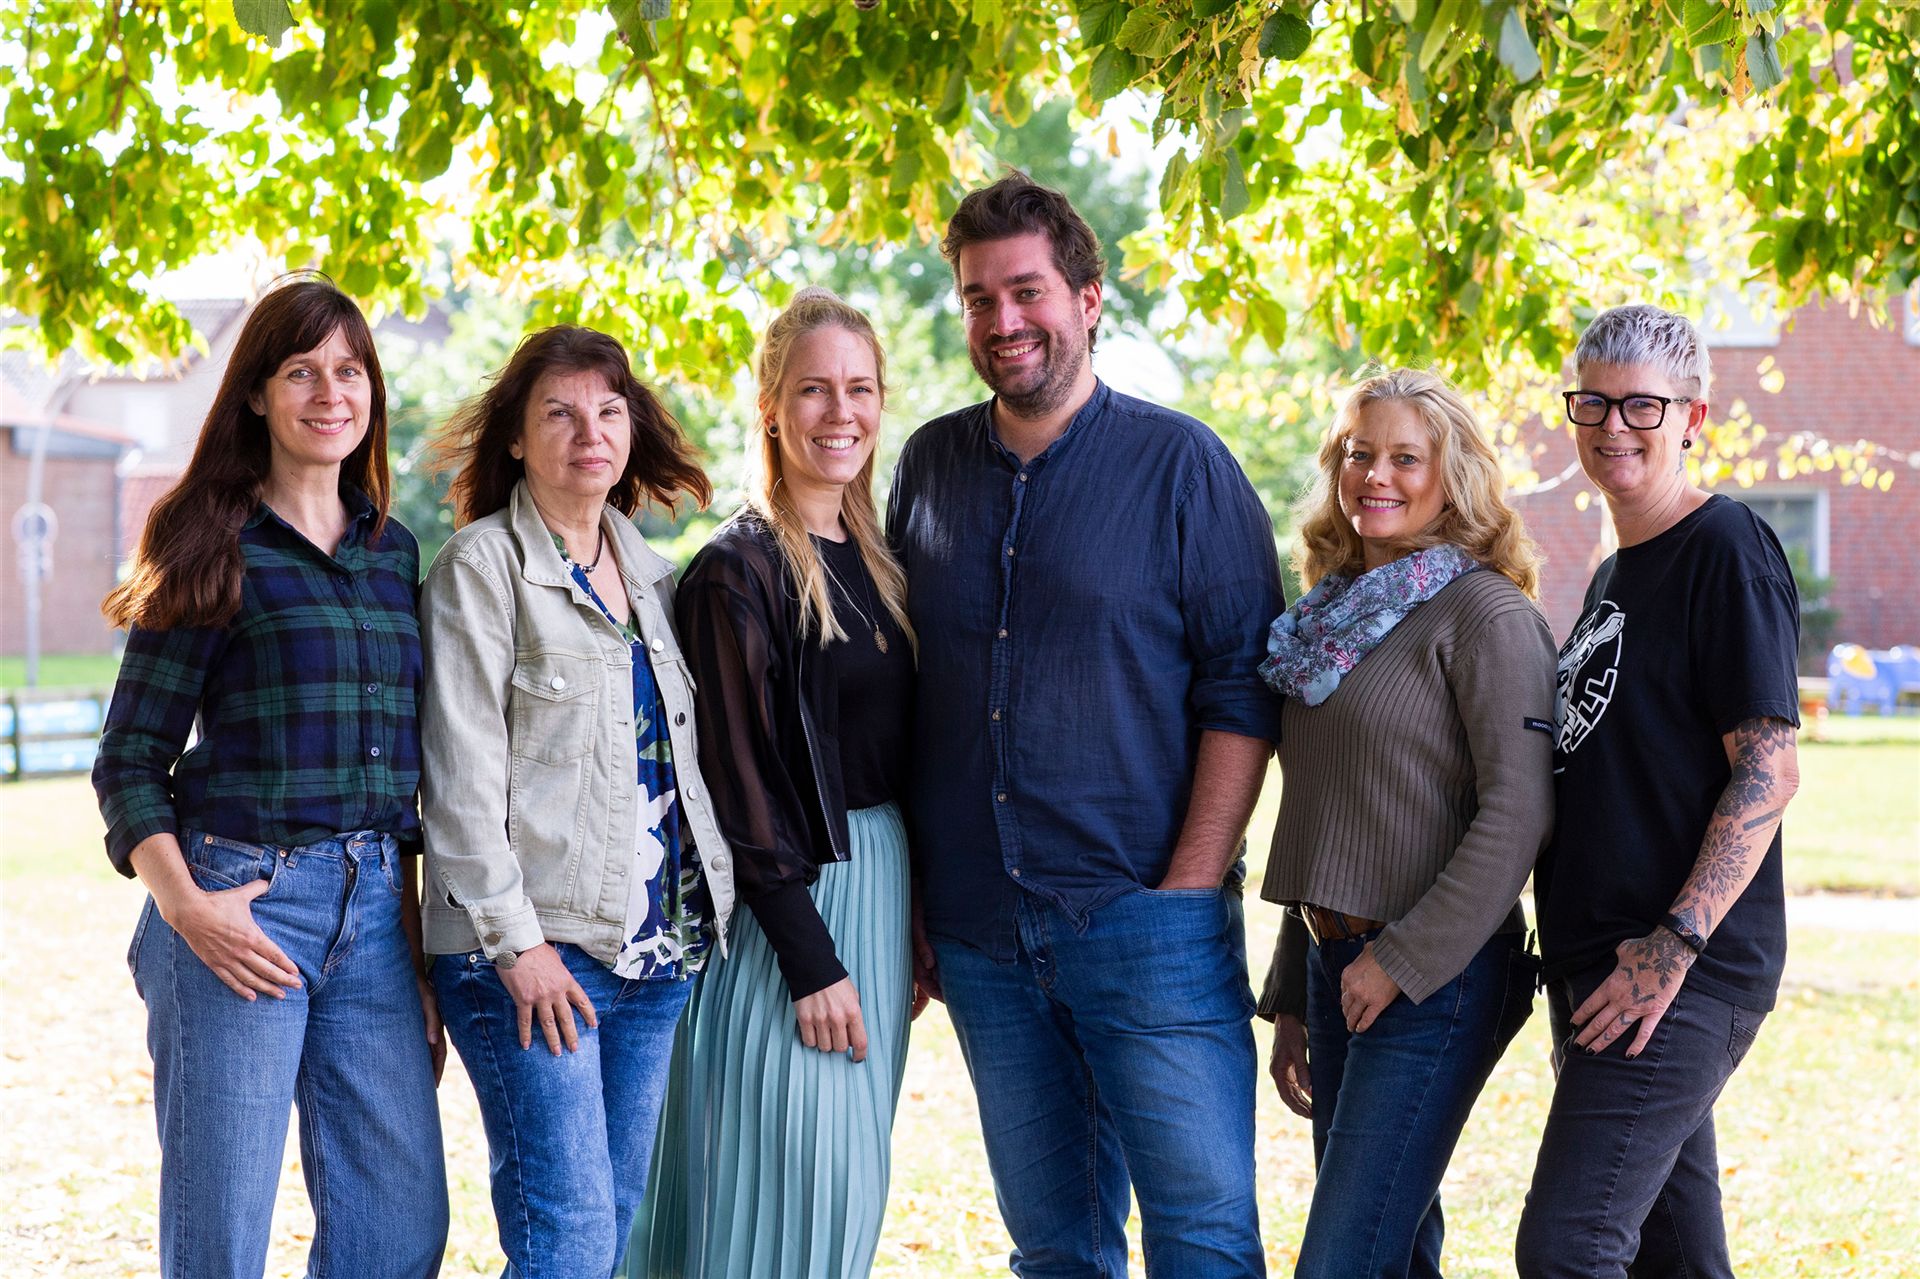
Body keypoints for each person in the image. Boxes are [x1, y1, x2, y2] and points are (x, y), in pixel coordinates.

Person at [887, 171, 1285, 1277]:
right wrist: (917, 899)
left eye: (1027, 291)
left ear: (1088, 299)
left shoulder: (1183, 465)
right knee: (1055, 1250)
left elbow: (1243, 690)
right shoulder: (926, 467)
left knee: (1204, 1241)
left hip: (1146, 921)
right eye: (979, 298)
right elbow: (908, 690)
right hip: (980, 936)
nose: (1003, 320)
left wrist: (1188, 889)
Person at [92, 275, 448, 1278]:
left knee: (400, 1231)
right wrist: (188, 910)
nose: (331, 393)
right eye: (301, 371)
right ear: (256, 392)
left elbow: (402, 789)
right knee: (221, 1241)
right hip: (238, 904)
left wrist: (414, 954)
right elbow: (130, 757)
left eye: (350, 370)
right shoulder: (208, 540)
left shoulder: (393, 553)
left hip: (375, 918)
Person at [418, 325, 735, 1278]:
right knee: (569, 1238)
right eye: (558, 412)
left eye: (607, 410)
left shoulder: (652, 576)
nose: (588, 432)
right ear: (517, 438)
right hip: (530, 955)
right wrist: (519, 948)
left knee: (607, 1227)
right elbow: (458, 782)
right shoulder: (481, 568)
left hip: (655, 955)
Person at [629, 287, 917, 1277]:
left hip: (877, 892)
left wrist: (911, 921)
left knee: (845, 1209)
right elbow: (733, 781)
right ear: (770, 407)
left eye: (860, 388)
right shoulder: (736, 570)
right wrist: (810, 959)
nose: (841, 411)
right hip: (786, 913)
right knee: (787, 1203)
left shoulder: (880, 564)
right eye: (813, 389)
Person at [1515, 305, 1801, 1278]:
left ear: (1693, 418)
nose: (1613, 426)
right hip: (1600, 965)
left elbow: (1769, 767)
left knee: (1568, 1248)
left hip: (1676, 970)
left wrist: (1672, 945)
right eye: (1593, 402)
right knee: (1675, 1261)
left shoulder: (1725, 547)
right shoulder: (1614, 573)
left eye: (1643, 404)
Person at [1256, 368, 1554, 1277]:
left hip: (1438, 977)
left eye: (1405, 458)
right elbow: (1328, 808)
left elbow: (1521, 811)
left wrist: (1400, 960)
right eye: (1359, 454)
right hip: (1337, 962)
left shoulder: (1487, 612)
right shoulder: (1332, 614)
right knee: (1396, 1253)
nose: (1375, 475)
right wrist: (1296, 990)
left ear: (1452, 476)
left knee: (1342, 1260)